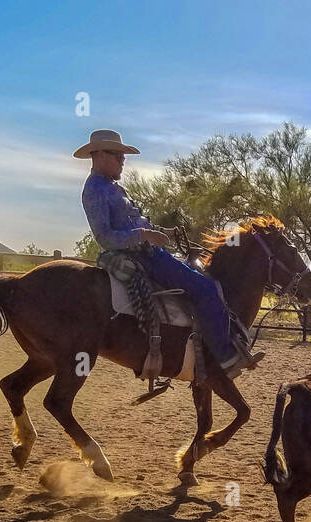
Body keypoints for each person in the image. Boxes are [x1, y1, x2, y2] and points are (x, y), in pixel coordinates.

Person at [74, 129, 245, 374]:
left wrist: (161, 231)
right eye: (117, 154)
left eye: (123, 155)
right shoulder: (95, 190)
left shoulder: (111, 187)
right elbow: (104, 237)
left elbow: (132, 223)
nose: (123, 159)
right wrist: (145, 236)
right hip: (143, 257)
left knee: (203, 278)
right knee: (205, 288)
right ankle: (225, 357)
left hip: (149, 251)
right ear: (99, 154)